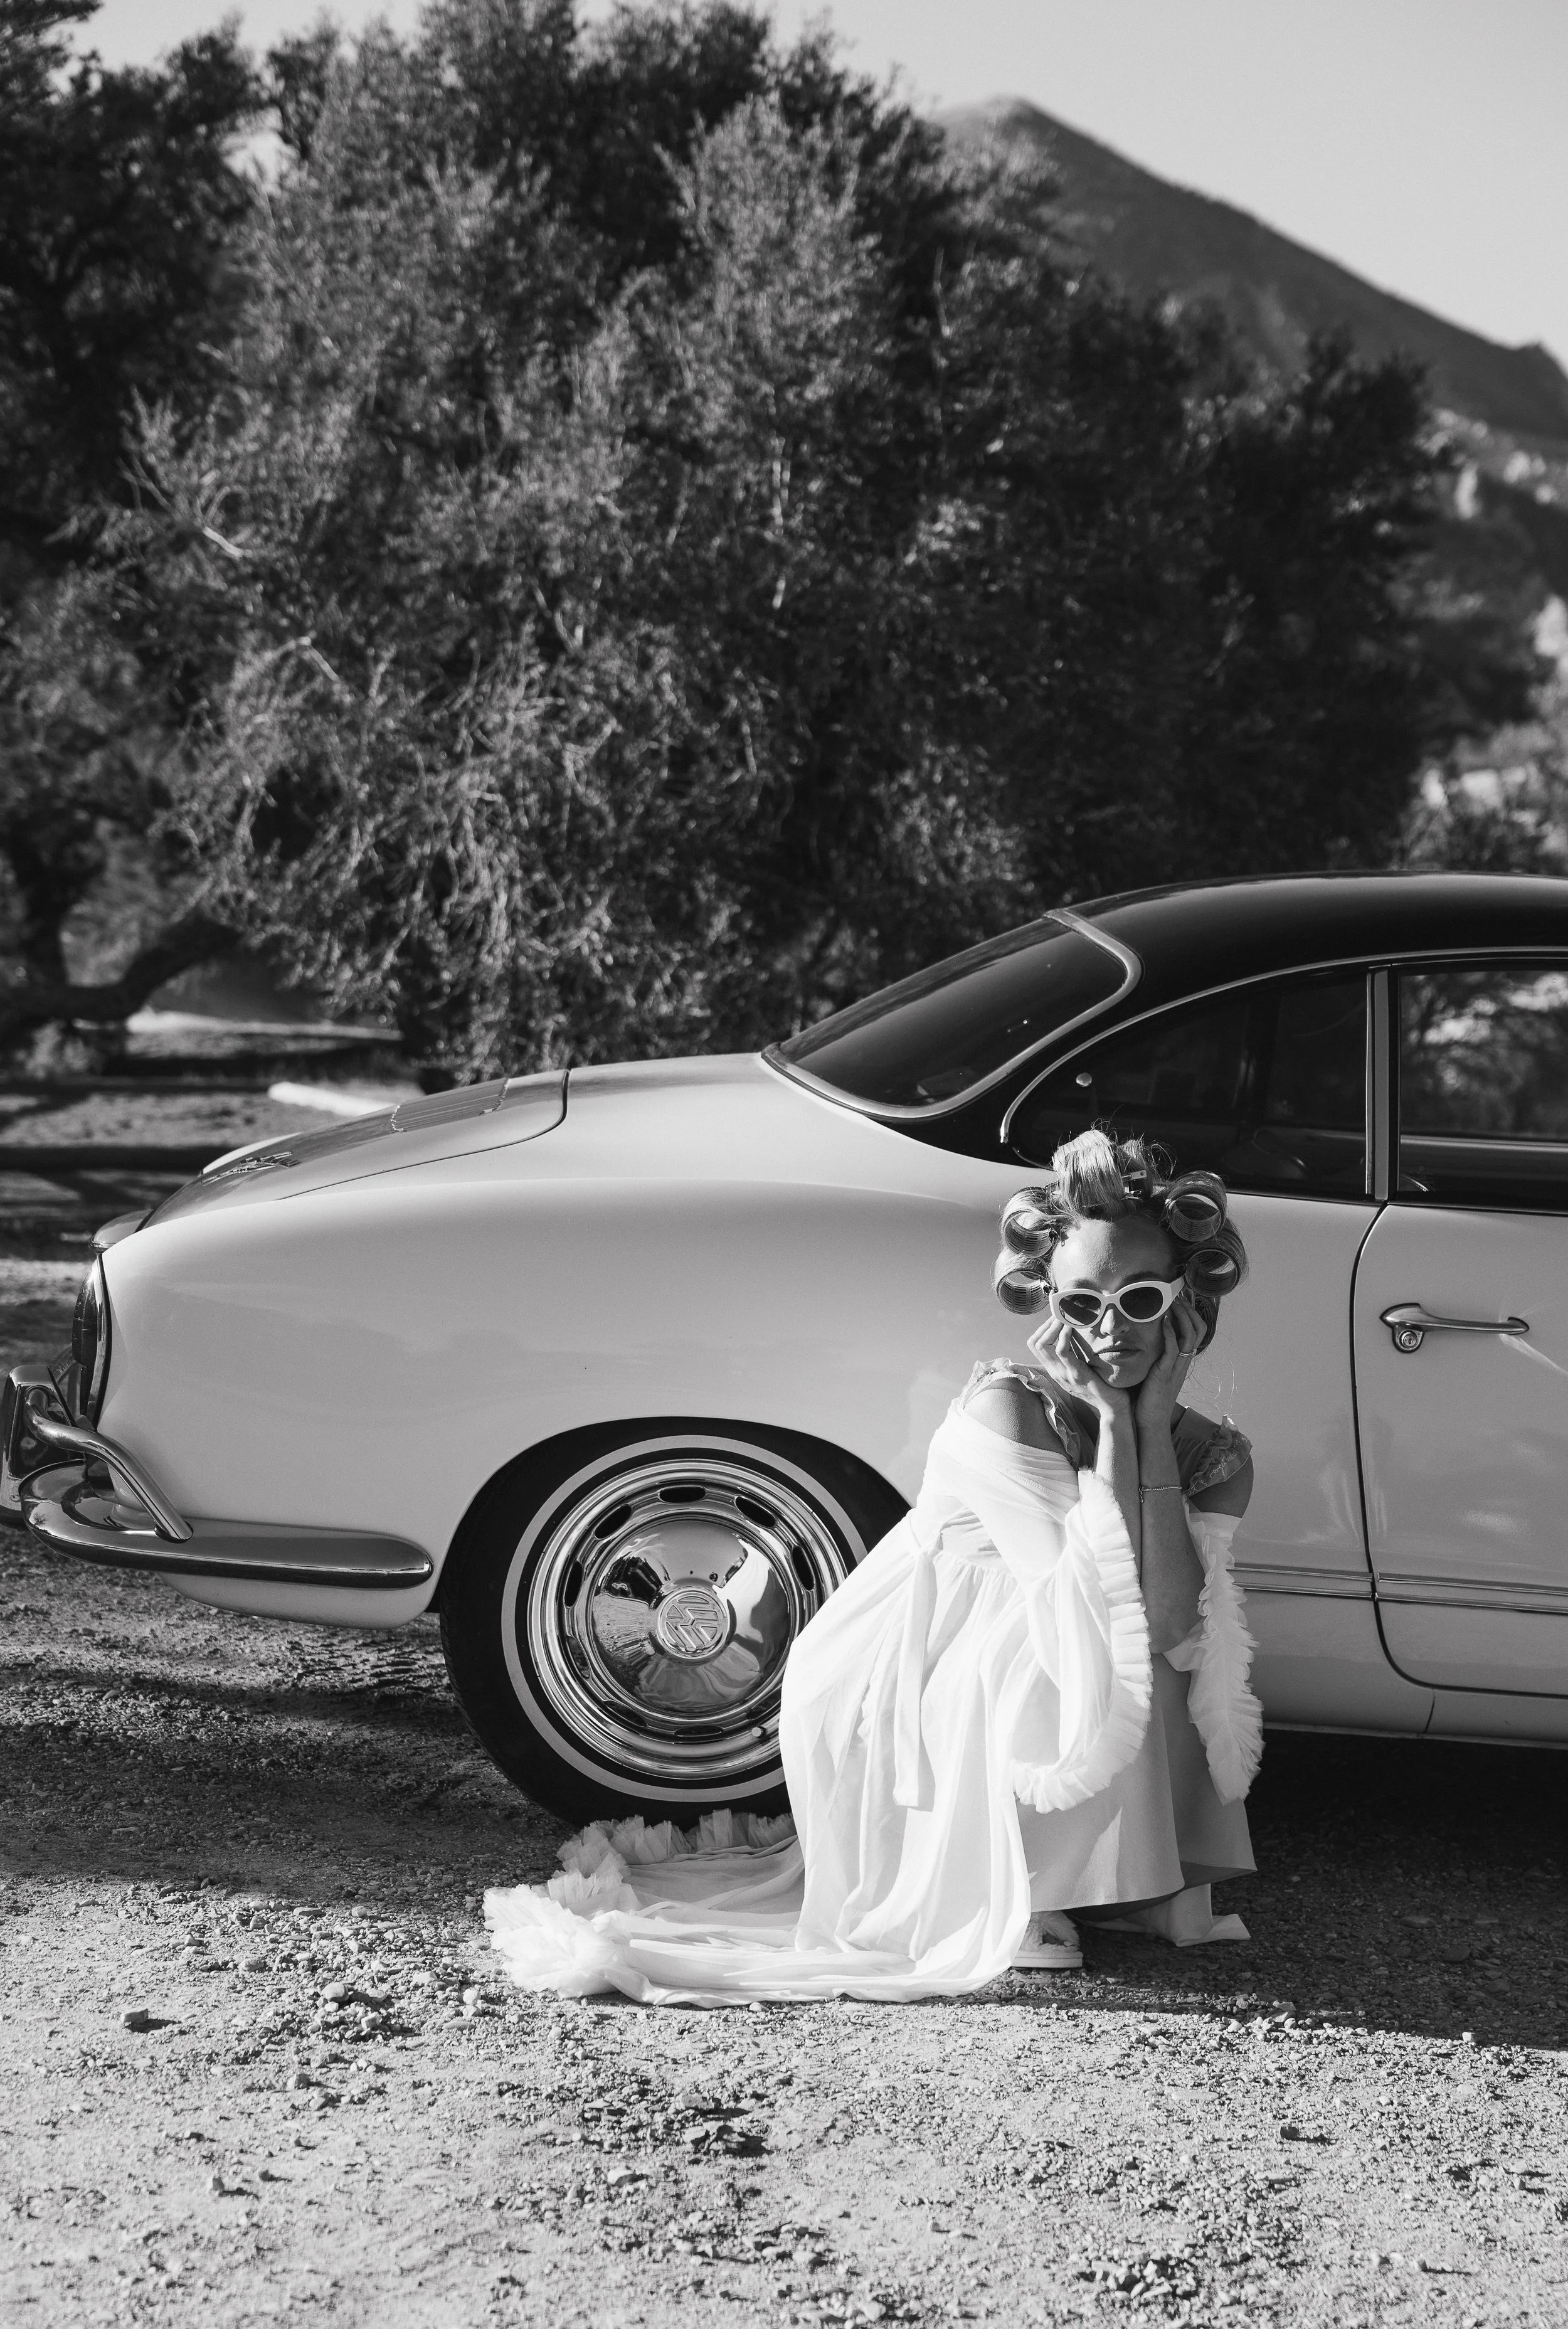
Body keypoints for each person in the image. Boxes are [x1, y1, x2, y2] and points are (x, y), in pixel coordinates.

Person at [485, 1129, 1261, 2005]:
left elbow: (1167, 1622)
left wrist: (1147, 1425)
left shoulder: (1214, 1458)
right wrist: (1117, 1424)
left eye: (1141, 1299)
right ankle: (1020, 1886)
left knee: (1160, 1651)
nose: (1110, 1330)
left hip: (1037, 1650)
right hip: (916, 1676)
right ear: (1050, 1306)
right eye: (1083, 1304)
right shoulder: (1010, 1410)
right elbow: (1091, 1603)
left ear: (1187, 1304)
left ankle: (1099, 1874)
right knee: (1070, 1640)